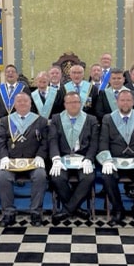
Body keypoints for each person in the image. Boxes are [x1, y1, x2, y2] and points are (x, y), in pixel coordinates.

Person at [97, 89, 134, 226]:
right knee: (107, 176)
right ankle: (118, 210)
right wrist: (107, 160)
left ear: (133, 102)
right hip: (115, 161)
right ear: (117, 102)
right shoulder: (108, 118)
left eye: (128, 100)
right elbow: (103, 142)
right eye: (122, 100)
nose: (125, 103)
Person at [0, 93, 49, 227]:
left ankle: (35, 212)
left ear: (31, 104)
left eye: (25, 101)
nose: (22, 103)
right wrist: (4, 157)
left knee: (41, 175)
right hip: (12, 162)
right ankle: (8, 213)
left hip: (33, 162)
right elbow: (0, 142)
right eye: (19, 101)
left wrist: (40, 156)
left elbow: (45, 142)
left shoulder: (41, 121)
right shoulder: (5, 121)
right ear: (14, 104)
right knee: (2, 177)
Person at [48, 91, 99, 223]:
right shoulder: (56, 118)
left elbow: (94, 143)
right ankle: (76, 209)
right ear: (65, 104)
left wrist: (89, 159)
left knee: (88, 178)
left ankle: (67, 210)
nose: (73, 105)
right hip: (63, 158)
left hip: (83, 158)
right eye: (70, 102)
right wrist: (56, 159)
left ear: (80, 103)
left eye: (76, 102)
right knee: (57, 177)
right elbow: (53, 140)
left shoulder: (91, 119)